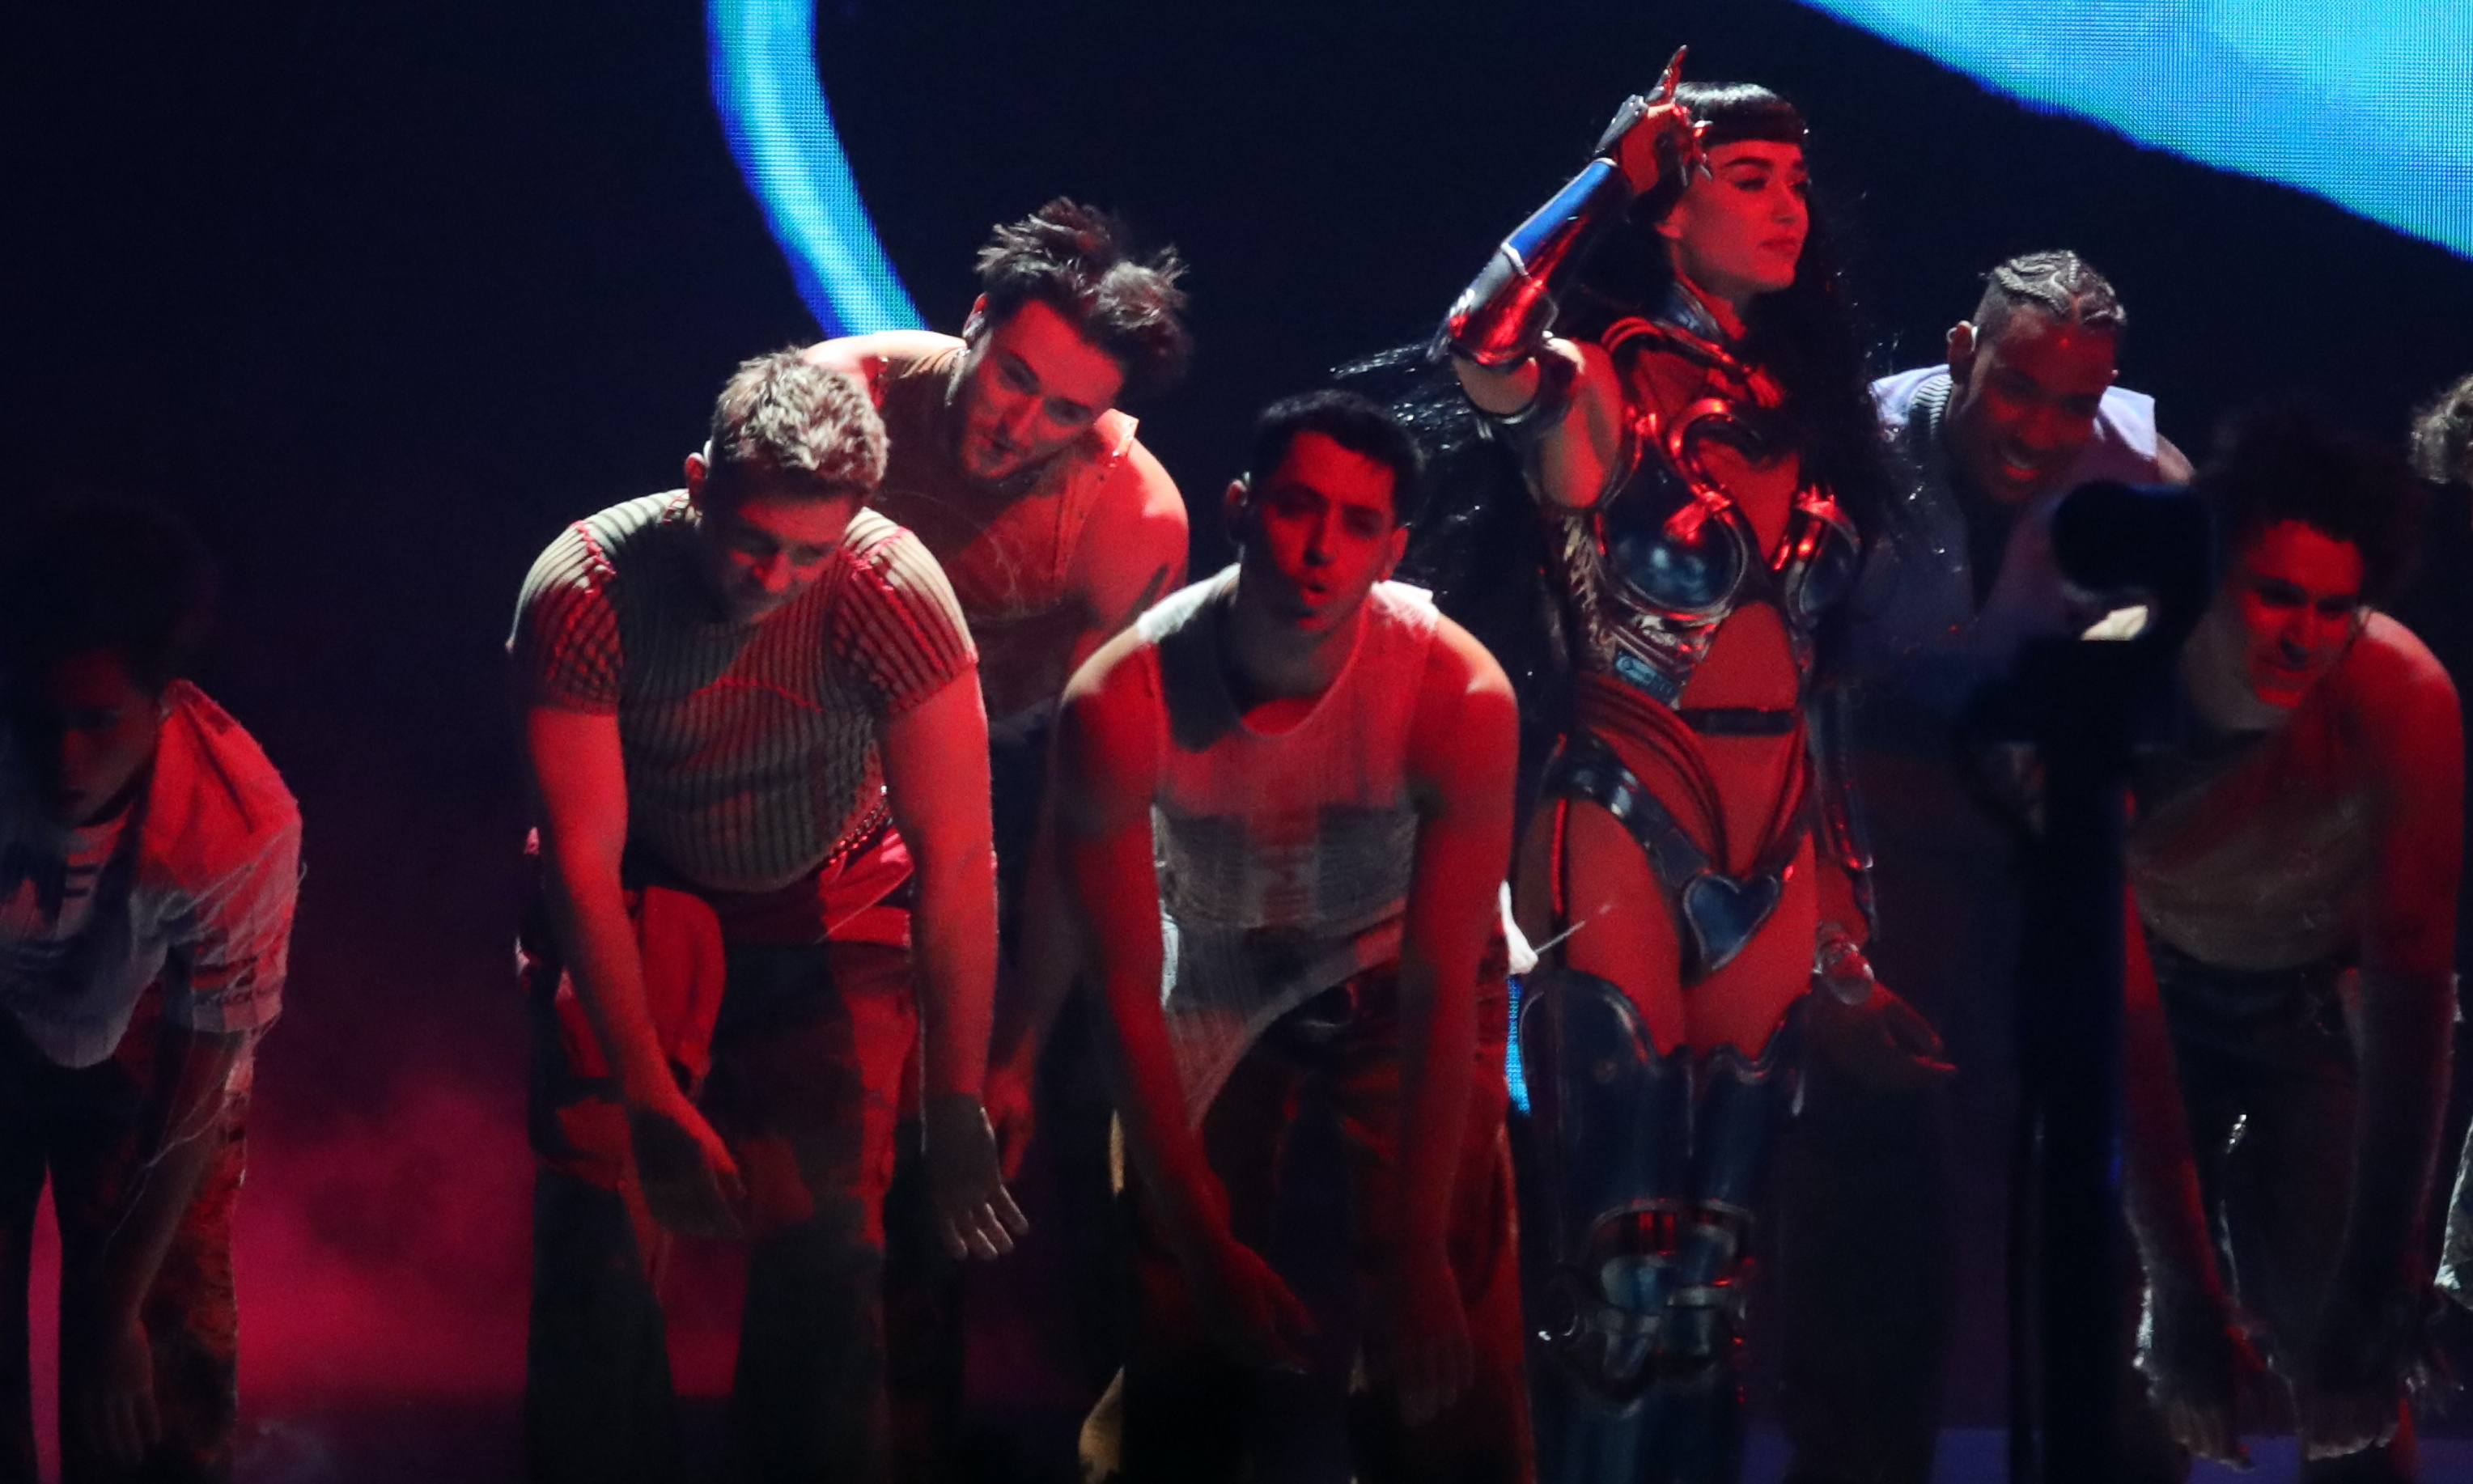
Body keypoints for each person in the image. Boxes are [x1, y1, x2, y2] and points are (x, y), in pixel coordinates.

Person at [1438, 56, 1917, 1482]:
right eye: (1745, 179)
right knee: (1622, 1248)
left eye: (1796, 182)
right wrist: (1605, 175)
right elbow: (1477, 335)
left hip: (1778, 828)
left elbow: (1822, 668)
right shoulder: (1604, 380)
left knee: (1719, 1267)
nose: (1788, 206)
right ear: (1668, 204)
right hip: (1623, 807)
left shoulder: (1808, 407)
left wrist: (1846, 892)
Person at [511, 350, 1024, 1484]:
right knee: (596, 1238)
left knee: (830, 1254)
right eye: (752, 540)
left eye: (809, 552)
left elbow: (957, 860)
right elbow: (582, 865)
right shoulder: (587, 585)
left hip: (825, 904)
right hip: (648, 900)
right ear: (698, 482)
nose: (774, 576)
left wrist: (954, 1099)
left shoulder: (891, 590)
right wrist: (647, 1094)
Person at [1058, 391, 1530, 1482]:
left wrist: (1419, 1249)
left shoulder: (1458, 692)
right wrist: (1199, 1240)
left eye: (1358, 524)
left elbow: (1441, 981)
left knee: (1448, 1318)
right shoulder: (1120, 697)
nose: (1321, 550)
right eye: (1295, 507)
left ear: (1394, 549)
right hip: (1215, 958)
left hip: (1397, 959)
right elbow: (1123, 983)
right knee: (1177, 1310)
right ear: (1239, 507)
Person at [1779, 252, 2193, 1481]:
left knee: (2080, 1135)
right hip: (1860, 800)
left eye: (2076, 403)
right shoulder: (1839, 449)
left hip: (2031, 812)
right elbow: (1781, 690)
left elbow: (2169, 636)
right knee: (1865, 1133)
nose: (2043, 430)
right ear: (1961, 351)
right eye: (2018, 388)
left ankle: (2117, 1437)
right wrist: (1824, 931)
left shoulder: (2144, 481)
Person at [800, 200, 1191, 1456]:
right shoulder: (843, 399)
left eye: (1065, 411)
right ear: (972, 323)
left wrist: (1015, 1047)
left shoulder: (1133, 518)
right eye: (1014, 376)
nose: (1019, 424)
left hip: (1012, 776)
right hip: (818, 757)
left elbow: (1086, 802)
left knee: (1062, 1106)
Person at [2123, 411, 2457, 1479]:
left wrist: (2380, 1278)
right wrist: (2180, 1286)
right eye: (2274, 596)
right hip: (2149, 994)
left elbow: (2412, 992)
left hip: (2312, 997)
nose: (2303, 636)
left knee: (2351, 1381)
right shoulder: (2108, 677)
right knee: (2129, 1366)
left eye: (2331, 607)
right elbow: (2110, 1005)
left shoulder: (2401, 695)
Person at [0, 499, 300, 1484]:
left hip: (139, 1016)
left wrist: (113, 1307)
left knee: (158, 1357)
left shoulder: (235, 822)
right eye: (41, 722)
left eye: (98, 723)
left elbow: (196, 1098)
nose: (66, 759)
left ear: (164, 702)